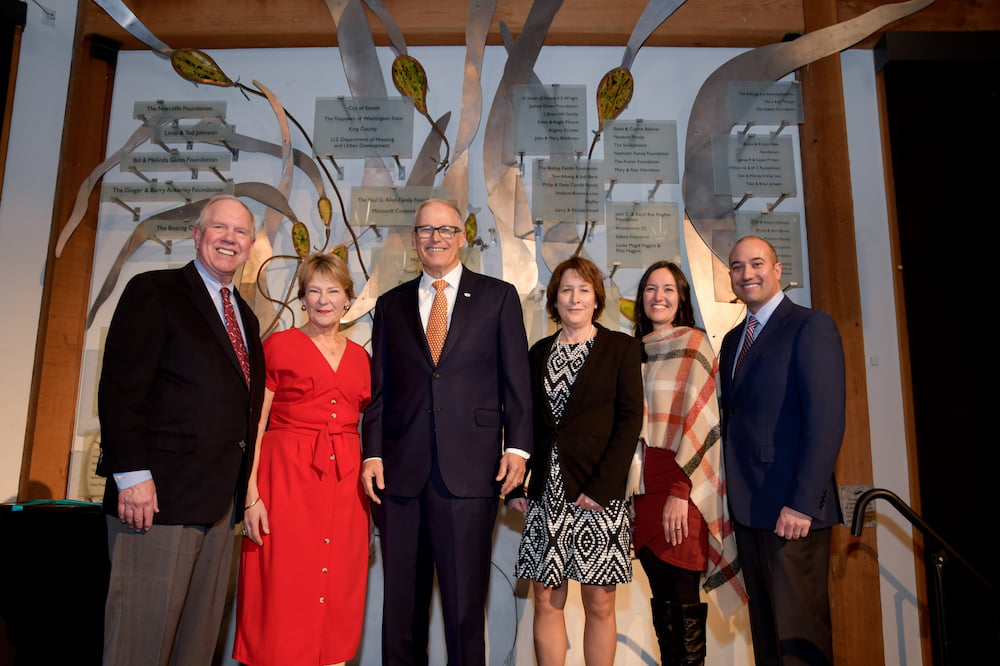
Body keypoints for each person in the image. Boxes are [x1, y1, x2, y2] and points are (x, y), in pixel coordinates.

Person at [360, 198, 533, 666]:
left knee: (463, 609)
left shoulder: (498, 297)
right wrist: (371, 454)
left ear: (462, 237)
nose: (435, 238)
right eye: (425, 230)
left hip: (471, 473)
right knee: (401, 611)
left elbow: (517, 382)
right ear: (414, 240)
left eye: (445, 229)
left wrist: (517, 447)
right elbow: (379, 391)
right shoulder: (390, 305)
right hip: (400, 476)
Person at [97, 194, 265, 666]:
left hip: (216, 508)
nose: (230, 239)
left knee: (195, 647)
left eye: (240, 233)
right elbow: (120, 390)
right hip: (157, 504)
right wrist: (131, 475)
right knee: (139, 644)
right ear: (197, 234)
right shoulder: (154, 291)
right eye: (220, 228)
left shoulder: (246, 318)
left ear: (251, 246)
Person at [234, 253, 371, 666]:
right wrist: (251, 495)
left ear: (348, 299)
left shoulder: (362, 358)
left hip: (344, 483)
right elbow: (254, 424)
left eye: (333, 291)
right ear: (302, 298)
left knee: (338, 582)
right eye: (314, 291)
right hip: (285, 479)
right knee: (282, 585)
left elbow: (369, 427)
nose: (324, 300)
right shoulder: (278, 346)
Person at [509, 256, 643, 666]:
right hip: (547, 490)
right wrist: (518, 484)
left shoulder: (620, 347)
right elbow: (525, 421)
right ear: (555, 299)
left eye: (584, 290)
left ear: (597, 299)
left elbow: (629, 421)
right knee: (546, 598)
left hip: (599, 492)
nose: (575, 298)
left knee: (599, 603)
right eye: (566, 290)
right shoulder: (538, 352)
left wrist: (602, 487)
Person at [720, 236, 845, 666]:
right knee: (769, 641)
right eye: (737, 267)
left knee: (799, 642)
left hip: (792, 514)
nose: (747, 273)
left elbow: (825, 422)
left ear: (777, 269)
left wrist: (802, 504)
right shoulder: (734, 340)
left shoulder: (811, 326)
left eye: (757, 263)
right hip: (750, 510)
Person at [631, 261, 742, 666]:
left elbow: (703, 425)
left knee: (682, 594)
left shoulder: (695, 345)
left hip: (683, 487)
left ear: (681, 299)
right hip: (642, 491)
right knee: (661, 600)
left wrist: (680, 491)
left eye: (668, 290)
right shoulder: (633, 350)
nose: (658, 297)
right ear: (641, 299)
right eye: (650, 289)